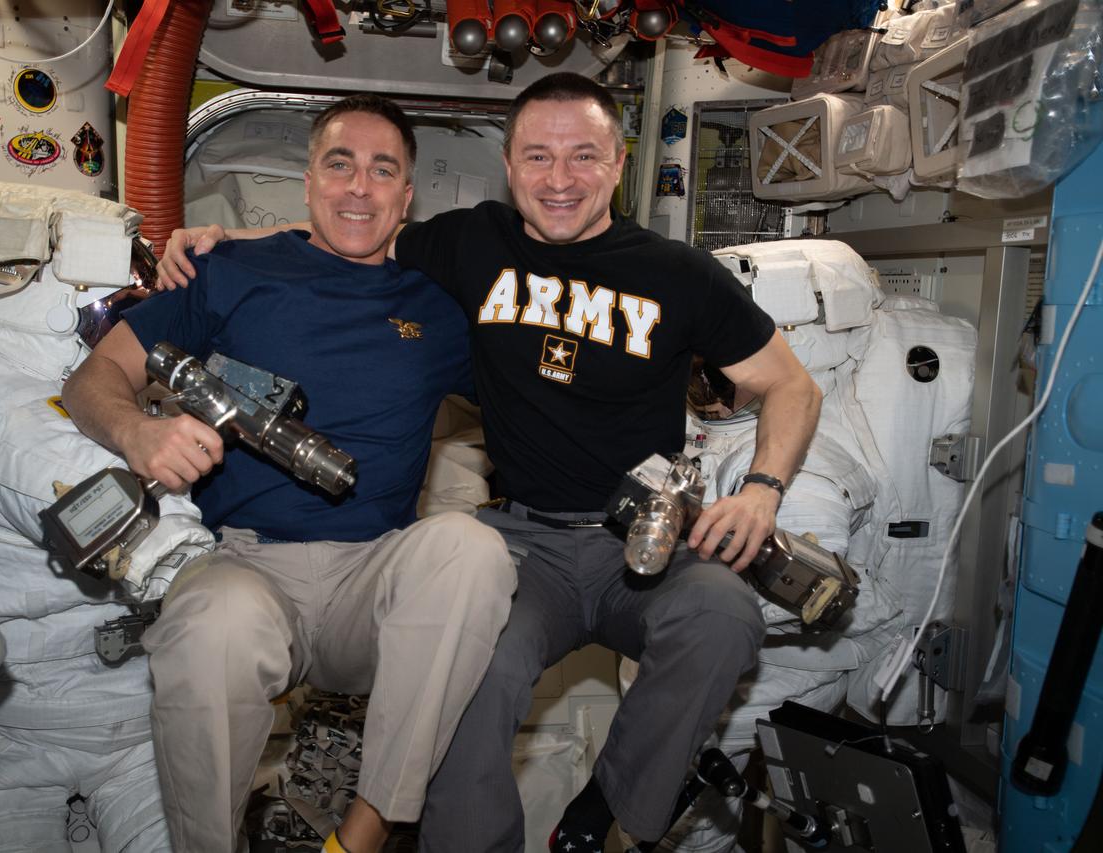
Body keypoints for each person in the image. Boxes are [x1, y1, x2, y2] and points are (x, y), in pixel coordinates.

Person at [160, 73, 821, 852]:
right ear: (509, 166)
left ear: (616, 163)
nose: (560, 178)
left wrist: (762, 491)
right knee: (468, 673)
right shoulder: (471, 242)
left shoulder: (678, 273)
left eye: (583, 156)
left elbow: (789, 384)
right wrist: (213, 240)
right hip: (525, 544)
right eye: (538, 156)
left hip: (640, 545)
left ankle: (610, 823)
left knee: (723, 614)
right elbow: (347, 226)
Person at [60, 94, 517, 853]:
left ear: (407, 196)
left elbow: (534, 392)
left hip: (372, 574)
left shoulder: (438, 307)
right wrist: (139, 431)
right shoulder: (227, 270)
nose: (359, 188)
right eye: (339, 165)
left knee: (471, 549)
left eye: (382, 171)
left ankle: (366, 830)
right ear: (308, 181)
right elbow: (91, 378)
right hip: (244, 561)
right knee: (209, 625)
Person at [0, 184, 195, 852]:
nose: (132, 312)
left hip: (117, 719)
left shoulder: (85, 395)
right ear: (50, 295)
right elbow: (71, 486)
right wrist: (179, 558)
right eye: (116, 297)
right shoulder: (25, 410)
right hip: (19, 725)